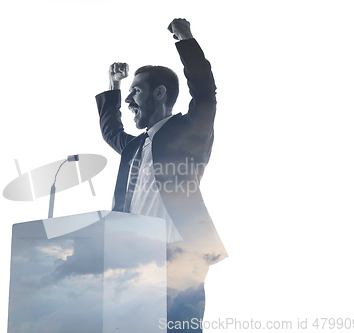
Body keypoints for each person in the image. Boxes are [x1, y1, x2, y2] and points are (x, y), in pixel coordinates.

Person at [95, 18, 228, 332]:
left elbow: (205, 94)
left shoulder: (189, 131)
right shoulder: (134, 148)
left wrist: (185, 39)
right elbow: (110, 131)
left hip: (180, 252)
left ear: (159, 94)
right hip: (136, 255)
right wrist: (114, 87)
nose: (129, 101)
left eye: (135, 92)